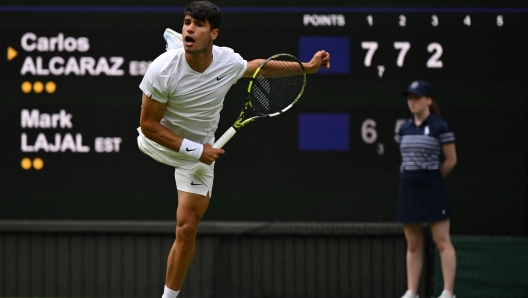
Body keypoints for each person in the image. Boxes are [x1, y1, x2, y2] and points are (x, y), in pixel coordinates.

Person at [136, 2, 331, 298]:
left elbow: (258, 67)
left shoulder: (227, 62)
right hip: (158, 142)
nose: (190, 26)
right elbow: (149, 125)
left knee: (187, 228)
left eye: (198, 25)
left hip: (199, 155)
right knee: (169, 68)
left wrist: (308, 67)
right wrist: (194, 149)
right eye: (187, 22)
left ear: (213, 33)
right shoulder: (161, 71)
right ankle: (172, 47)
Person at [397, 80, 457, 298]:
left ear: (428, 100)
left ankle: (447, 292)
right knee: (413, 244)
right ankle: (412, 292)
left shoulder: (440, 127)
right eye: (410, 98)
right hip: (408, 189)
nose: (412, 102)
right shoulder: (403, 129)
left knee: (442, 242)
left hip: (432, 188)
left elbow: (451, 160)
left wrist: (433, 178)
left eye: (417, 97)